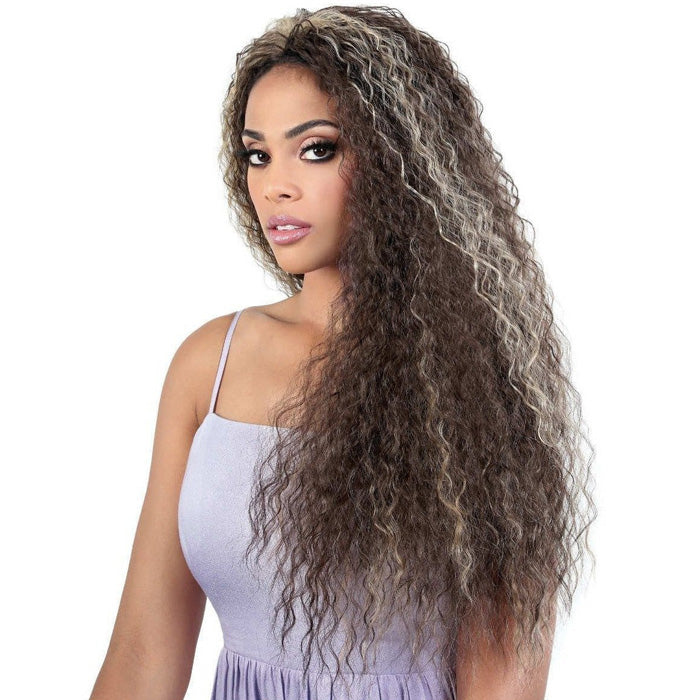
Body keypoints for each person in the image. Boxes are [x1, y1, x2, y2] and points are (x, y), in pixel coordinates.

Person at [89, 5, 596, 699]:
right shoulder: (210, 364)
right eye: (258, 154)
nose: (275, 184)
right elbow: (143, 654)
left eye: (317, 149)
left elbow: (503, 681)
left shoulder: (479, 385)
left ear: (401, 161)